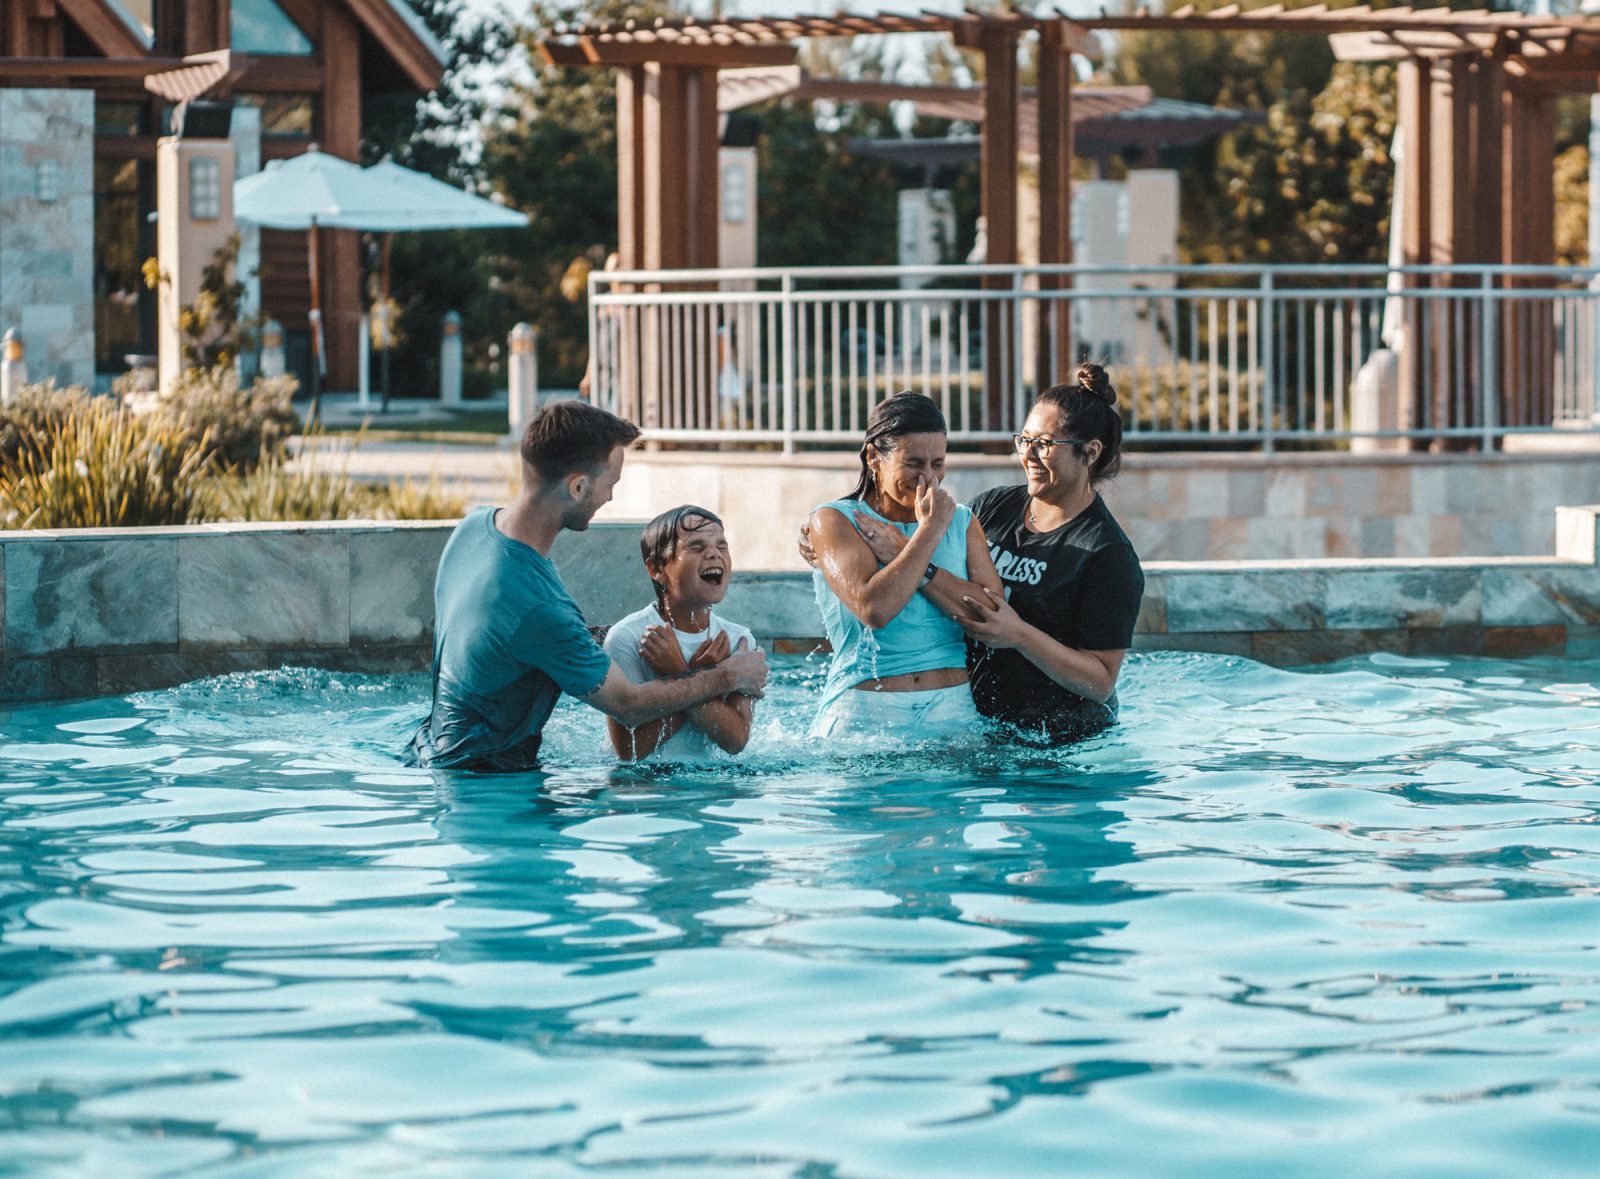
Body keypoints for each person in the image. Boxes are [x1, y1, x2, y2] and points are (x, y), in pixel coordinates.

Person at [406, 400, 768, 772]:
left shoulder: (473, 529)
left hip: (432, 747)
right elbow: (628, 705)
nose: (609, 496)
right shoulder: (540, 608)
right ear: (578, 486)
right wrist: (726, 675)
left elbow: (511, 635)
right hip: (486, 779)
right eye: (610, 484)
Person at [839, 364, 1144, 744]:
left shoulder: (1106, 553)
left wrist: (1019, 634)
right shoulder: (994, 507)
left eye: (1045, 444)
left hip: (1058, 743)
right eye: (1024, 440)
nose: (1028, 455)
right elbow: (918, 557)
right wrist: (839, 542)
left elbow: (1100, 681)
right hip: (975, 723)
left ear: (1090, 452)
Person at [805, 391, 1005, 738]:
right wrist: (927, 533)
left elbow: (991, 616)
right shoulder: (834, 521)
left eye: (937, 464)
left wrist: (905, 551)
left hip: (951, 709)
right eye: (913, 463)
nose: (927, 477)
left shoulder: (961, 521)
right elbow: (874, 608)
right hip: (865, 714)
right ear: (873, 457)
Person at [603, 505, 757, 760]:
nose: (713, 555)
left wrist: (681, 672)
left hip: (709, 789)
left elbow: (735, 741)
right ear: (656, 569)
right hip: (643, 786)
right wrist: (704, 678)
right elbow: (629, 751)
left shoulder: (738, 641)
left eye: (722, 546)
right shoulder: (629, 638)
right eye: (696, 547)